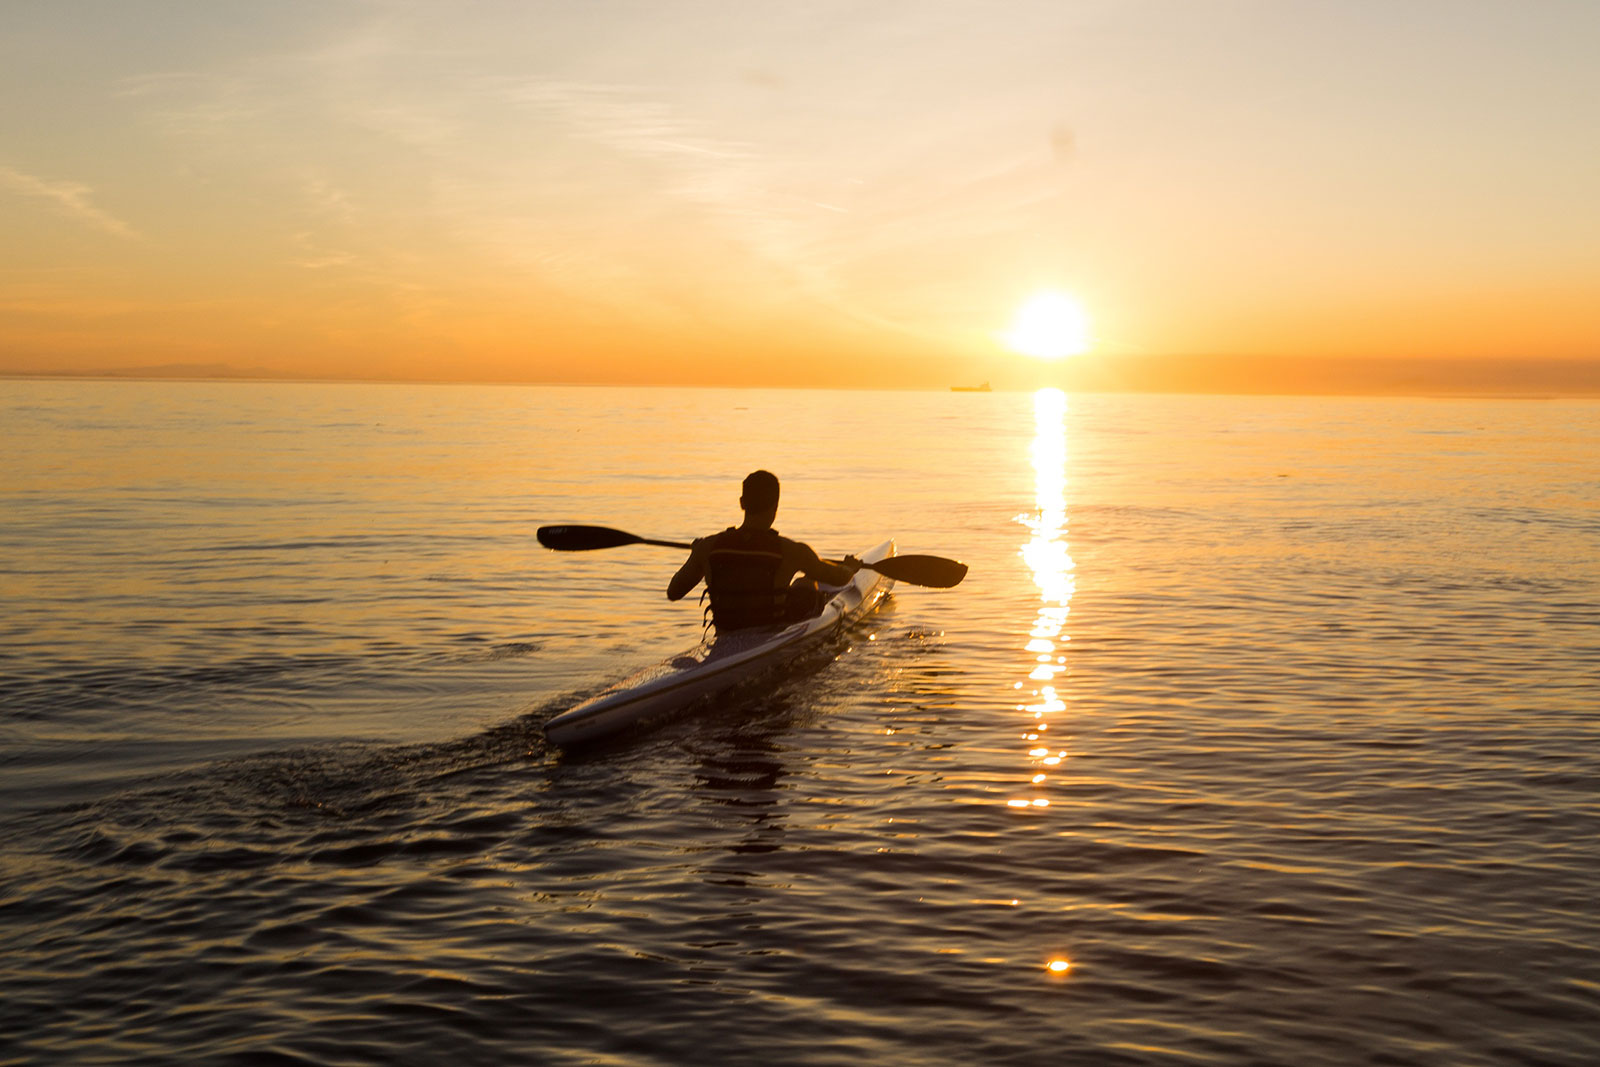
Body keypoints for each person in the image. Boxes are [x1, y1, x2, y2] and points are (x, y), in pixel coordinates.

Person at [668, 470, 861, 632]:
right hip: (769, 633)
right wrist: (850, 568)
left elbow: (674, 592)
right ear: (776, 506)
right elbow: (838, 578)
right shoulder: (792, 551)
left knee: (803, 583)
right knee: (807, 583)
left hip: (727, 632)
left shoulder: (708, 547)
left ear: (742, 503)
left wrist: (695, 556)